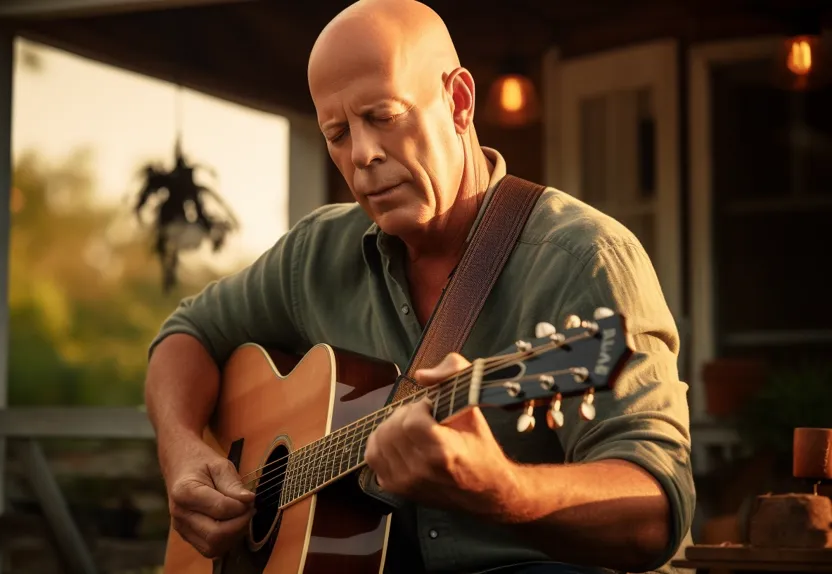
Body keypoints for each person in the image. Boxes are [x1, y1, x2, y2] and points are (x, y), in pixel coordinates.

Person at [143, 0, 695, 572]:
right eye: (336, 133)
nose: (361, 155)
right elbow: (187, 334)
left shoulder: (584, 258)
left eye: (382, 116)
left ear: (457, 101)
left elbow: (655, 513)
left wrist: (502, 490)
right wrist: (182, 452)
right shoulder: (315, 254)